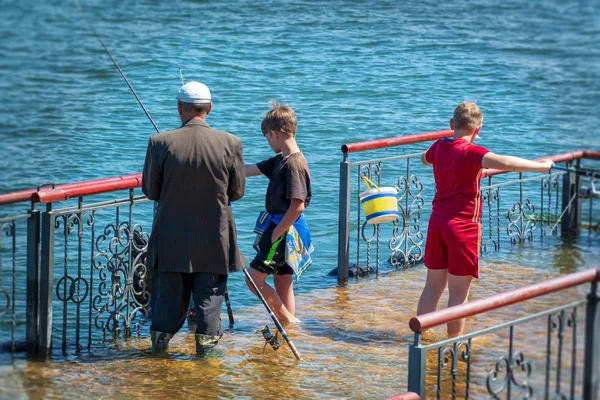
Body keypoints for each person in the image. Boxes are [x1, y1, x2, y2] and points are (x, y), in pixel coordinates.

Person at [416, 101, 554, 337]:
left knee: (432, 287)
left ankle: (421, 339)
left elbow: (425, 159)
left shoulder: (439, 146)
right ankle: (453, 346)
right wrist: (542, 167)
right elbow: (507, 162)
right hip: (463, 227)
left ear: (452, 124)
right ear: (478, 129)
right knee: (459, 293)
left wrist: (472, 170)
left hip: (437, 222)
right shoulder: (473, 153)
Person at [142, 81, 246, 353]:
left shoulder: (159, 142)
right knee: (210, 299)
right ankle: (206, 358)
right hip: (214, 239)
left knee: (167, 299)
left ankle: (160, 351)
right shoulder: (231, 143)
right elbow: (236, 192)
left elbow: (151, 190)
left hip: (171, 240)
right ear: (209, 108)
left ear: (180, 108)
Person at [244, 101, 313, 326]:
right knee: (283, 280)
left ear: (274, 134)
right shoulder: (280, 159)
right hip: (284, 229)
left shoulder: (293, 164)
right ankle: (286, 328)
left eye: (266, 137)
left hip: (283, 230)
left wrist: (276, 234)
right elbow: (248, 170)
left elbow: (298, 205)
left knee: (253, 279)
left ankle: (290, 321)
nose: (267, 142)